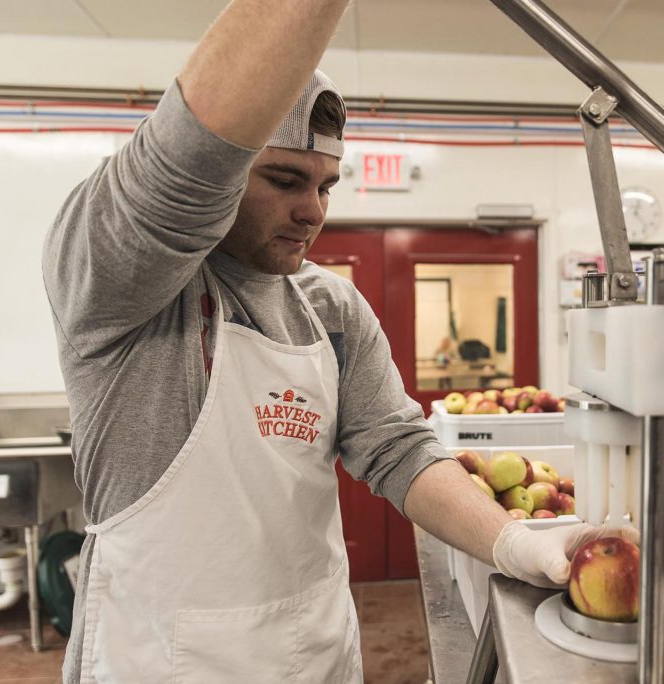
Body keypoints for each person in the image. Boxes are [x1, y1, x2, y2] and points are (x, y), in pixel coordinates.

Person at [42, 2, 631, 681]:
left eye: (325, 185)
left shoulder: (330, 308)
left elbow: (397, 450)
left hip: (310, 650)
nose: (314, 210)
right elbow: (184, 165)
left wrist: (517, 544)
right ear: (227, 174)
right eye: (283, 180)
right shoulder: (120, 284)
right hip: (161, 659)